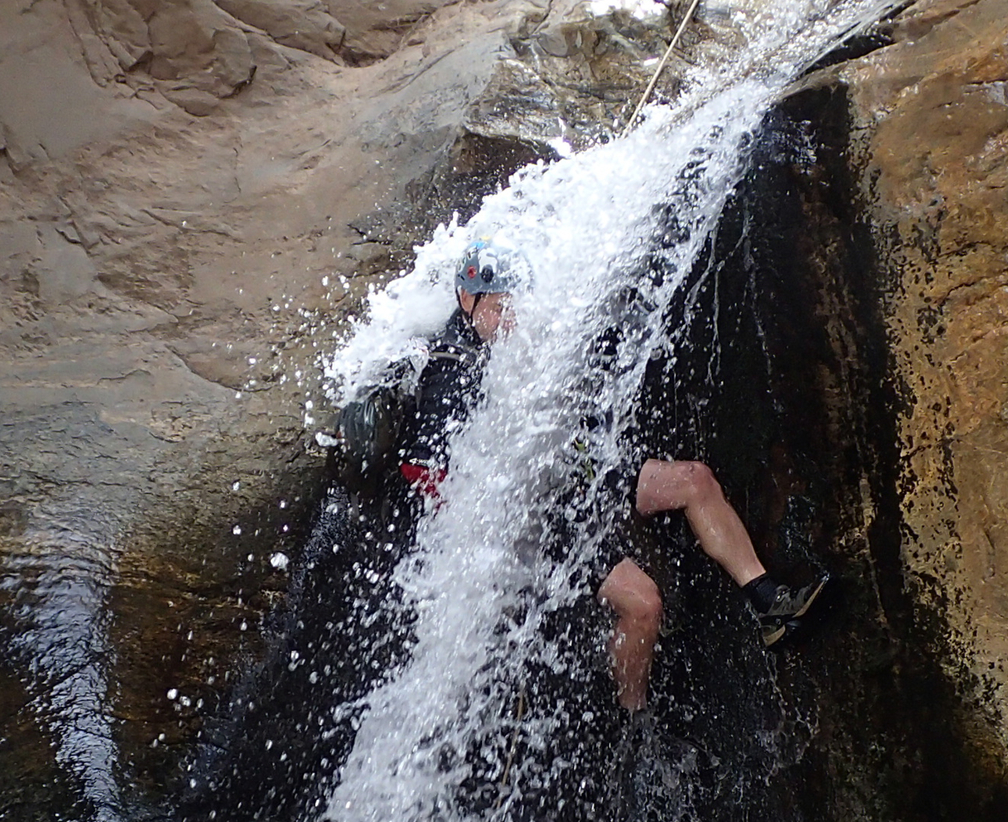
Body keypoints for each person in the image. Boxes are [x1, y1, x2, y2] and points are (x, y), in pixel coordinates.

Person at [331, 236, 826, 711]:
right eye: (500, 306)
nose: (511, 318)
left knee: (695, 481)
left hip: (564, 475)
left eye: (514, 305)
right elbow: (425, 470)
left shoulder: (496, 345)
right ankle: (631, 715)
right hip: (523, 525)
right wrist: (489, 548)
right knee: (644, 604)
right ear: (467, 298)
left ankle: (769, 602)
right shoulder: (451, 370)